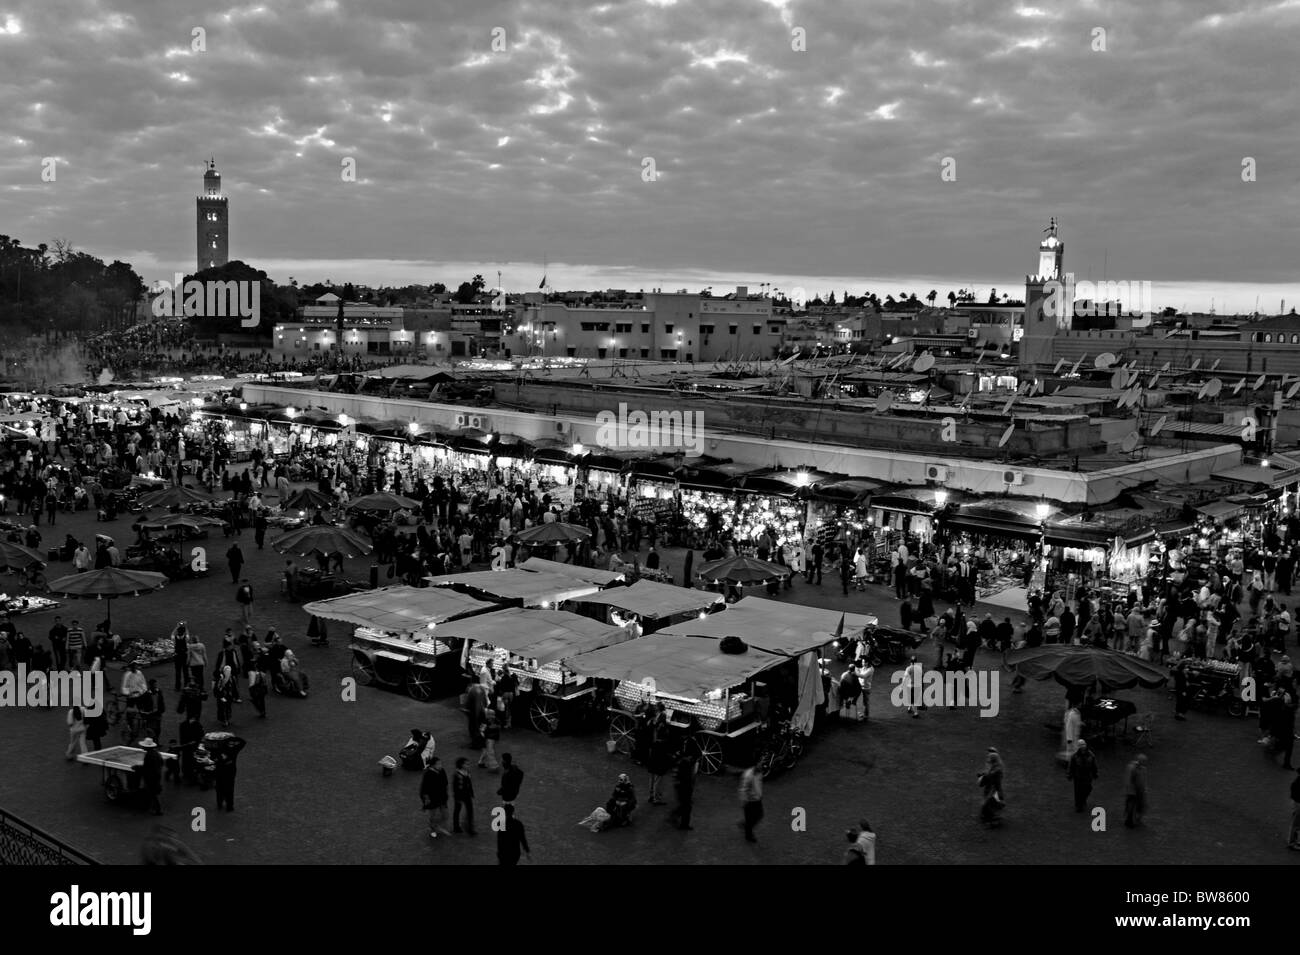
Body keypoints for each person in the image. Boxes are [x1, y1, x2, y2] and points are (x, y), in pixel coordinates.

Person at [421, 756, 451, 839]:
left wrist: (446, 793)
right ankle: (433, 829)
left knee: (445, 815)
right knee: (434, 815)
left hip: (442, 798)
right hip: (433, 799)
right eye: (438, 764)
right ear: (433, 765)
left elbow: (446, 783)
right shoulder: (428, 774)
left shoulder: (442, 771)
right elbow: (424, 788)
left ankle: (437, 827)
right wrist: (426, 800)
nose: (440, 765)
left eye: (441, 763)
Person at [1067, 739, 1099, 812]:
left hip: (1088, 776)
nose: (1083, 746)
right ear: (1078, 747)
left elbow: (1094, 765)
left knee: (1088, 789)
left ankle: (1083, 800)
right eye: (1081, 745)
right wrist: (1069, 774)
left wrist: (1095, 773)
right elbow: (1071, 766)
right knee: (1078, 791)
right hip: (1078, 776)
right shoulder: (1075, 756)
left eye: (1083, 744)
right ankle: (1079, 806)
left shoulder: (1091, 755)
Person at [669, 751, 697, 830]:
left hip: (681, 787)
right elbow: (687, 778)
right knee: (686, 806)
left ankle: (678, 820)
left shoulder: (680, 763)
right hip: (684, 788)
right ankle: (683, 824)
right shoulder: (685, 764)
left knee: (684, 806)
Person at [978, 747, 1005, 827]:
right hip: (990, 788)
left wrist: (984, 776)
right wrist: (982, 774)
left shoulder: (997, 769)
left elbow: (992, 777)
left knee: (989, 803)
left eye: (989, 758)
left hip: (994, 789)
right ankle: (988, 817)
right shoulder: (995, 765)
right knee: (988, 803)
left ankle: (993, 820)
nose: (988, 759)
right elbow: (987, 773)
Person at [137, 738, 164, 816]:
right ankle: (153, 807)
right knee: (153, 791)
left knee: (152, 792)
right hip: (156, 775)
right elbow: (161, 763)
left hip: (151, 776)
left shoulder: (148, 755)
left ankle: (157, 809)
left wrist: (137, 767)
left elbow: (146, 767)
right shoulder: (156, 753)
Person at [739, 762, 764, 842]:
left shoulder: (759, 772)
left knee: (759, 815)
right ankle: (748, 835)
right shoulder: (748, 775)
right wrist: (744, 801)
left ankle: (746, 825)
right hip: (750, 801)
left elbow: (758, 784)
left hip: (757, 799)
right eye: (760, 763)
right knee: (752, 819)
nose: (762, 764)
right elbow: (743, 789)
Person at [452, 757, 476, 835]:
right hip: (459, 795)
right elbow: (455, 787)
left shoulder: (467, 772)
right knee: (457, 811)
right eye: (466, 764)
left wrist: (471, 793)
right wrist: (457, 797)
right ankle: (456, 827)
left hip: (467, 794)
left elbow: (469, 784)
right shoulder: (457, 774)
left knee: (470, 811)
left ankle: (470, 828)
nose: (468, 765)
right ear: (461, 765)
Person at [1124, 754, 1148, 828]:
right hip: (1132, 791)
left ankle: (1137, 819)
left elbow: (1143, 780)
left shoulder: (1143, 769)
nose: (1144, 762)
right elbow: (1128, 780)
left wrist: (1144, 789)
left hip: (1139, 790)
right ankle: (1129, 821)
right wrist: (1131, 790)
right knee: (1131, 806)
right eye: (1143, 761)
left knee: (1140, 805)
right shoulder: (1132, 767)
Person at [171, 622, 189, 692]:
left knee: (177, 672)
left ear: (178, 632)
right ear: (183, 632)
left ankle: (177, 687)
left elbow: (172, 634)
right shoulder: (186, 638)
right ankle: (186, 686)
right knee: (186, 672)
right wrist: (185, 626)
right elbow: (187, 634)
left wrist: (177, 626)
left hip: (177, 657)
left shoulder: (175, 639)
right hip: (184, 656)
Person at [1288, 768, 1300, 851]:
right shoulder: (1298, 782)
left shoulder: (1297, 781)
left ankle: (1295, 841)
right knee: (1296, 824)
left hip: (1297, 802)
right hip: (1298, 803)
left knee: (1297, 824)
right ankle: (1292, 842)